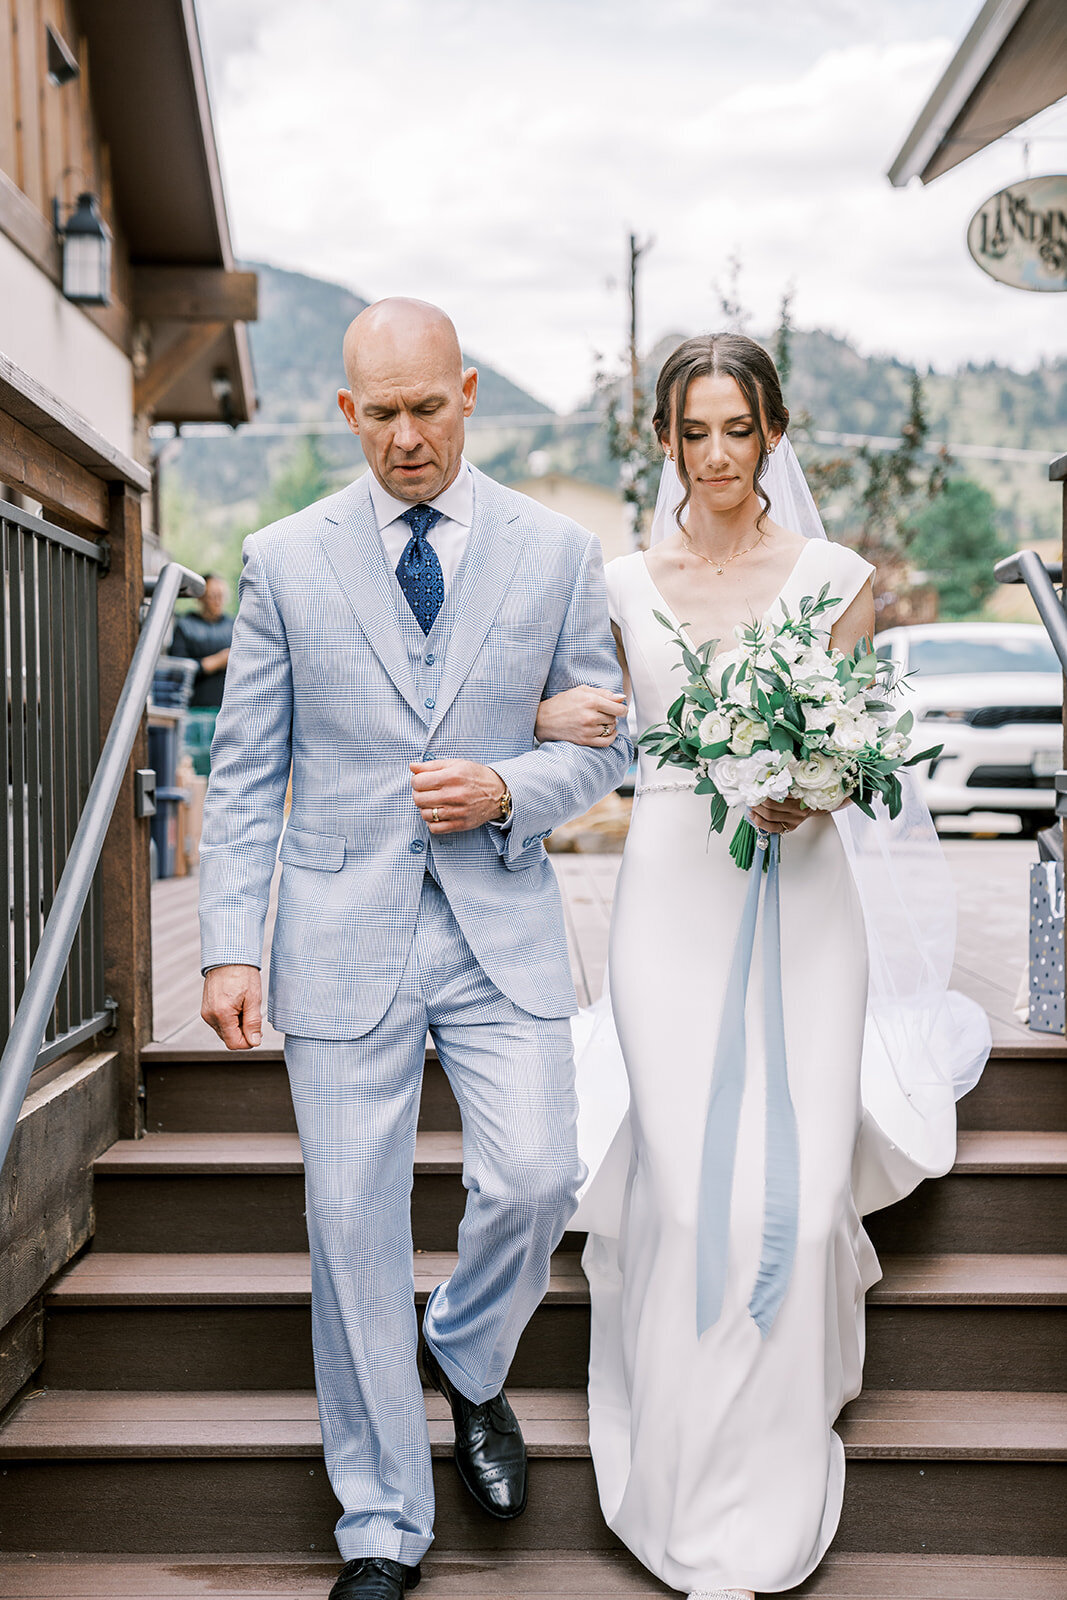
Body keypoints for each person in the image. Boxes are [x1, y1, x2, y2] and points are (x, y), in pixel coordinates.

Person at [534, 333, 990, 1599]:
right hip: (669, 902)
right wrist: (547, 718)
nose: (719, 455)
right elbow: (581, 714)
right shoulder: (619, 582)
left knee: (781, 1178)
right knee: (691, 1195)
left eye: (739, 429)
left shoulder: (837, 576)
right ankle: (678, 1476)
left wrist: (819, 784)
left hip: (802, 907)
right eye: (696, 432)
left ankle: (768, 1478)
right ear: (667, 442)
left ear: (771, 435)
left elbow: (856, 749)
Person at [197, 299, 631, 1600]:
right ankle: (381, 1522)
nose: (404, 436)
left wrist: (509, 788)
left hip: (498, 922)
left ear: (467, 393)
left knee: (537, 1176)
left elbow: (601, 742)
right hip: (337, 928)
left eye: (425, 407)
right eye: (378, 414)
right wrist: (229, 943)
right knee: (347, 1225)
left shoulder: (555, 551)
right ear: (346, 415)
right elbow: (242, 769)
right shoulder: (282, 558)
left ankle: (467, 1354)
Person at [170, 572, 234, 707]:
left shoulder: (234, 626)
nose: (218, 601)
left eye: (221, 596)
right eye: (212, 596)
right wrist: (215, 662)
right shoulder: (185, 626)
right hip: (194, 707)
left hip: (228, 707)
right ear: (200, 598)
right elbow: (175, 670)